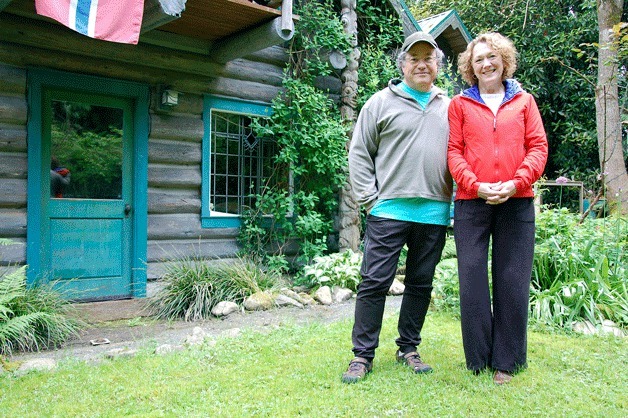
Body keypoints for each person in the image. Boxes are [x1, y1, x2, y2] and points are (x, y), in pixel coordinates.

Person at [342, 31, 453, 384]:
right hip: (388, 211)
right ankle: (362, 356)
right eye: (414, 58)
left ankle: (408, 348)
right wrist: (371, 200)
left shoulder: (450, 107)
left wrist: (453, 205)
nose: (421, 64)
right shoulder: (379, 103)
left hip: (434, 212)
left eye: (428, 58)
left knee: (421, 283)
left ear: (438, 65)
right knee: (374, 282)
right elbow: (360, 152)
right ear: (402, 64)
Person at [447, 32, 548, 385]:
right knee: (472, 279)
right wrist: (476, 185)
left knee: (512, 280)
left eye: (492, 57)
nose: (486, 63)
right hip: (471, 203)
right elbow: (454, 152)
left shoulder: (524, 102)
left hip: (516, 203)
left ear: (504, 59)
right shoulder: (460, 105)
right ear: (470, 68)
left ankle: (507, 361)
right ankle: (477, 359)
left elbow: (538, 147)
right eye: (478, 60)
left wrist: (515, 182)